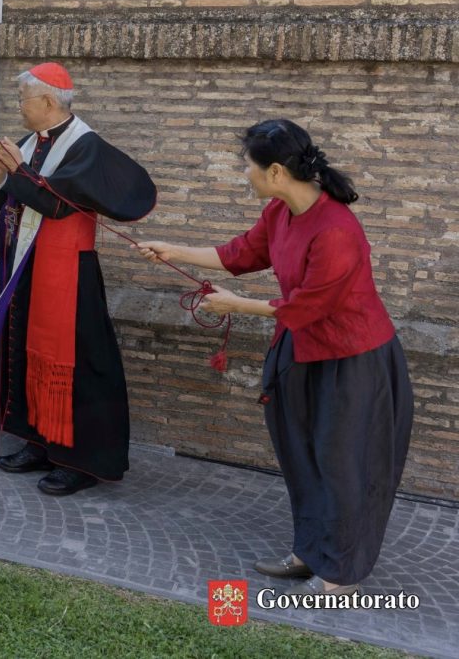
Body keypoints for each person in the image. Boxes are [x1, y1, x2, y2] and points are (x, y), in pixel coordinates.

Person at [136, 119, 412, 596]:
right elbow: (241, 253)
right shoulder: (279, 211)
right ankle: (310, 552)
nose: (246, 173)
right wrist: (172, 250)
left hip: (353, 361)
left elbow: (309, 305)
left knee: (343, 463)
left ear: (277, 171)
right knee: (301, 455)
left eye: (249, 165)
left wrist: (235, 306)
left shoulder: (337, 229)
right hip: (300, 348)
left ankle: (340, 573)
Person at [0, 62, 156, 496]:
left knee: (78, 366)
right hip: (27, 267)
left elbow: (55, 203)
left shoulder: (86, 146)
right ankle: (39, 443)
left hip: (69, 274)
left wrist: (16, 172)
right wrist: (0, 175)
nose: (19, 107)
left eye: (23, 99)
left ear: (48, 101)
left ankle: (79, 461)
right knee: (26, 353)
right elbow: (7, 201)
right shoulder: (30, 142)